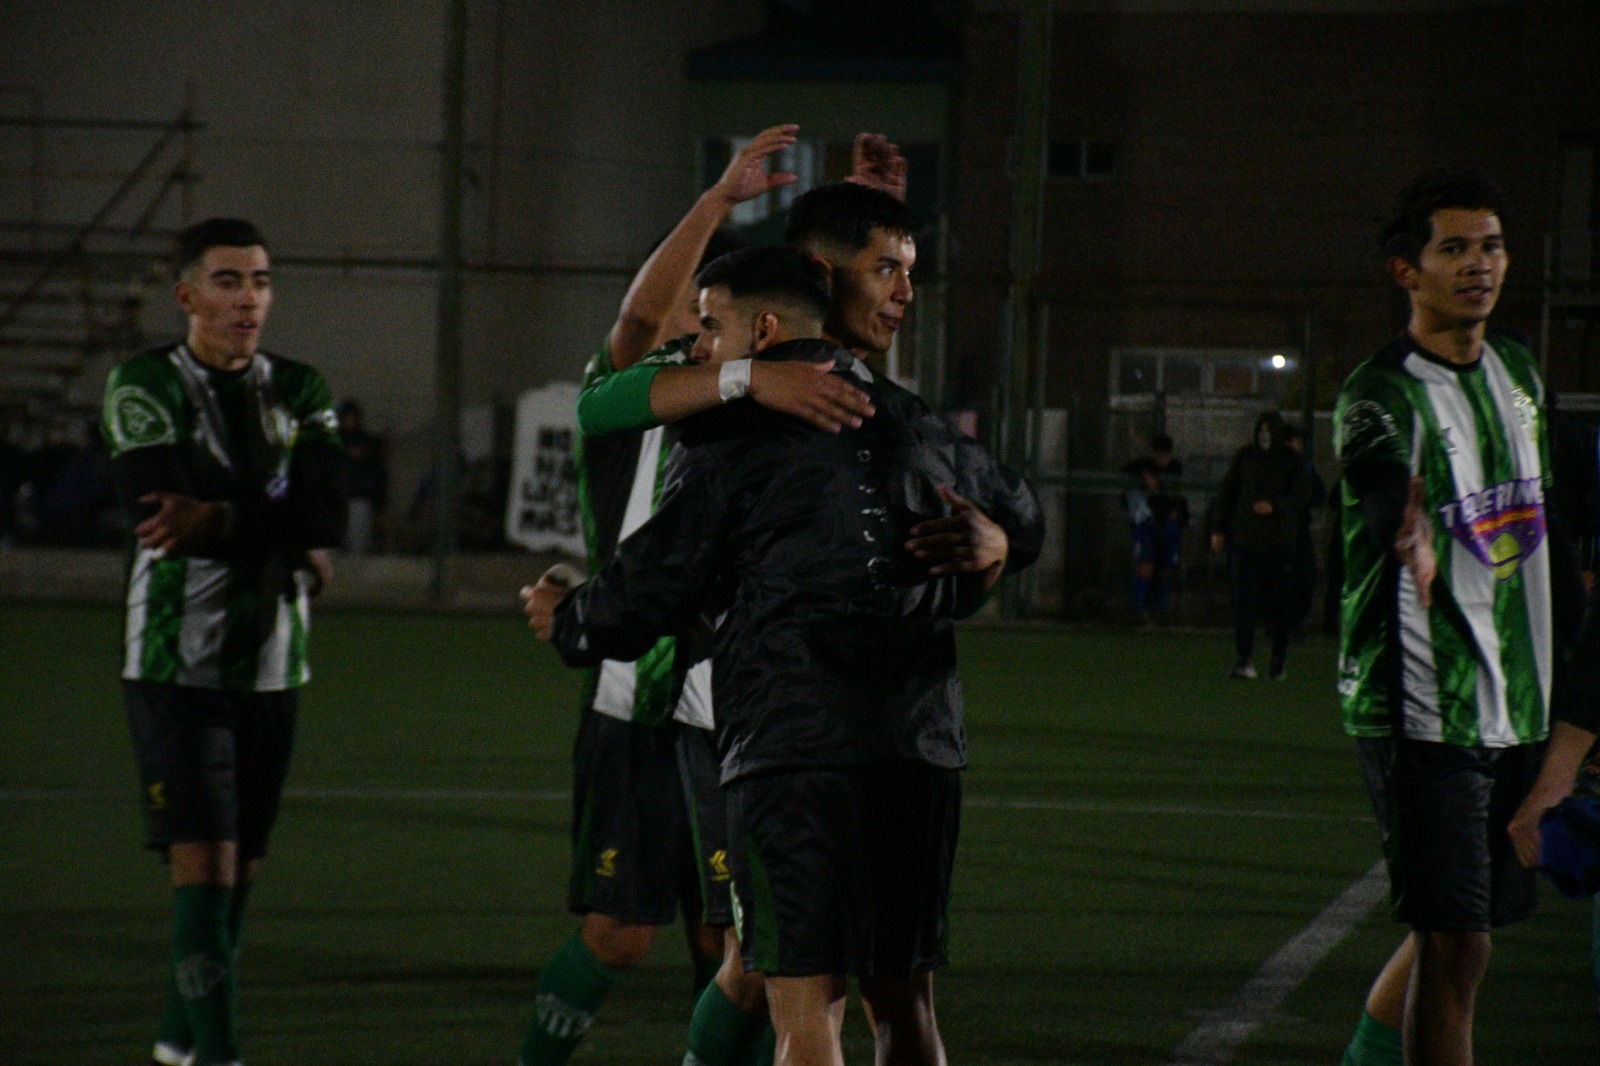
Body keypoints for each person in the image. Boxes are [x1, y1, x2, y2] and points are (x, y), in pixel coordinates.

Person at [524, 242, 1044, 1066]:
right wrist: (1001, 549)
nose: (698, 345)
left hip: (792, 747)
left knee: (806, 1012)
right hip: (919, 748)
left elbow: (654, 587)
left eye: (711, 326)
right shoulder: (916, 420)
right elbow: (1024, 516)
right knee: (905, 1009)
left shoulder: (730, 440)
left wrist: (570, 621)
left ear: (764, 327)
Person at [512, 126, 891, 1066]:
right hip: (624, 706)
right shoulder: (632, 395)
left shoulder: (764, 410)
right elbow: (639, 325)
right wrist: (716, 202)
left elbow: (833, 345)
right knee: (620, 931)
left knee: (739, 947)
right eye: (689, 305)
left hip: (727, 712)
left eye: (711, 311)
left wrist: (854, 225)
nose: (690, 321)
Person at [1333, 168, 1590, 1066]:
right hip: (1421, 708)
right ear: (1407, 271)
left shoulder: (1519, 368)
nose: (1478, 265)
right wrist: (1400, 529)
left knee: (1466, 929)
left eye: (1491, 246)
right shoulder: (1379, 392)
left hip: (1514, 702)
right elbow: (1373, 475)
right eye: (1454, 249)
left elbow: (1552, 516)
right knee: (1458, 941)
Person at [100, 217, 346, 1066]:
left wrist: (226, 514)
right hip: (175, 658)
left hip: (276, 661)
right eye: (231, 281)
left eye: (263, 281)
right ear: (188, 297)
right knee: (204, 865)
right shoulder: (143, 382)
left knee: (242, 871)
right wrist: (282, 529)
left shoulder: (302, 388)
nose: (251, 299)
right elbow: (158, 508)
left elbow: (328, 511)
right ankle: (221, 1055)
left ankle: (177, 1041)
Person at [1211, 411, 1308, 679]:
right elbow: (1228, 491)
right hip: (1246, 541)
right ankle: (1244, 659)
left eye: (1269, 431)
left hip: (1277, 545)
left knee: (1277, 605)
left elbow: (1302, 494)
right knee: (1244, 599)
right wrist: (1218, 528)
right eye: (1261, 430)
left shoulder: (1291, 461)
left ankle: (1277, 660)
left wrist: (1275, 505)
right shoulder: (1246, 457)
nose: (1264, 436)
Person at [1121, 432, 1186, 622]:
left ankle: (1161, 609)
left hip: (1167, 521)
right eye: (1159, 456)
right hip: (1149, 521)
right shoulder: (1145, 465)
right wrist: (1145, 476)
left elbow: (1173, 492)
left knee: (1166, 566)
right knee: (1145, 564)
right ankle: (1138, 609)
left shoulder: (1175, 468)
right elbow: (1126, 469)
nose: (1162, 460)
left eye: (1166, 455)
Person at [1282, 422, 1327, 633]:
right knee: (1285, 575)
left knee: (1304, 576)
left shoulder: (1305, 467)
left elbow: (1320, 494)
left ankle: (1294, 621)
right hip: (1282, 528)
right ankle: (1284, 621)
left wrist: (1305, 502)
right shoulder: (1276, 466)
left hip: (1299, 527)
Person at [337, 399, 387, 552]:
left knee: (357, 542)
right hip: (340, 498)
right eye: (347, 417)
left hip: (359, 497)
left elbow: (377, 473)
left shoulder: (366, 442)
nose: (350, 421)